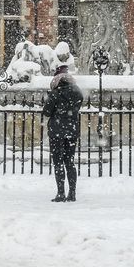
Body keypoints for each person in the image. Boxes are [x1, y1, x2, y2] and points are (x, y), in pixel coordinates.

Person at [41, 64, 84, 202]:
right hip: (72, 131)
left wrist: (50, 100)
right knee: (69, 162)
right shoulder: (78, 93)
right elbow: (76, 108)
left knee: (58, 162)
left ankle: (61, 193)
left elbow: (46, 112)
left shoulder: (55, 93)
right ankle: (72, 193)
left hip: (57, 132)